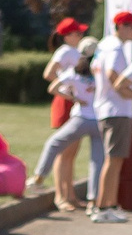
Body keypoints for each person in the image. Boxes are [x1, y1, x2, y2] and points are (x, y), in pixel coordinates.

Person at [88, 9, 132, 223]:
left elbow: (100, 72)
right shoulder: (115, 47)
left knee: (115, 159)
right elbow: (112, 75)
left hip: (108, 109)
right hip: (115, 111)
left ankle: (108, 205)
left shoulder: (104, 45)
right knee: (114, 160)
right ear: (121, 27)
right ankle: (102, 207)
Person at [33, 34, 99, 211]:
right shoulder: (67, 54)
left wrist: (74, 94)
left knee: (68, 153)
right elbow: (49, 75)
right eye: (76, 32)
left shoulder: (77, 69)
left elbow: (54, 82)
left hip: (77, 112)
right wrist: (73, 95)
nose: (79, 34)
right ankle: (63, 197)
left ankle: (67, 194)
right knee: (67, 154)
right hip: (76, 111)